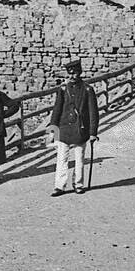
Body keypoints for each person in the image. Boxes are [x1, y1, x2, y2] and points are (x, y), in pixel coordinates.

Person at [48, 59, 99, 196]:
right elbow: (56, 111)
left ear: (80, 73)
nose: (72, 76)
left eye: (75, 73)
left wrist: (93, 132)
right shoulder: (63, 89)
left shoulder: (88, 89)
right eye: (70, 74)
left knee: (79, 159)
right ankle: (59, 186)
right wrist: (53, 130)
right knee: (62, 160)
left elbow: (93, 113)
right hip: (63, 129)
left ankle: (78, 184)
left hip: (80, 130)